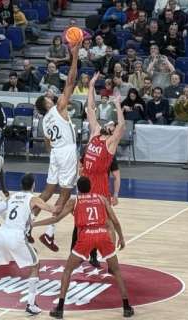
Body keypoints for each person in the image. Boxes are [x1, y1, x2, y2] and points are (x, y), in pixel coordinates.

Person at [32, 176, 133, 319]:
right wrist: (121, 238)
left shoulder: (75, 201)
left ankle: (60, 308)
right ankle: (127, 307)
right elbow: (114, 221)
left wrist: (34, 224)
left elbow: (56, 219)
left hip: (86, 237)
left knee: (67, 270)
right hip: (103, 234)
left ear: (78, 189)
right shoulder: (101, 199)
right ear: (90, 187)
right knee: (116, 271)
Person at [0, 173, 58, 315]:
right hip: (16, 236)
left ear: (21, 185)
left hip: (2, 234)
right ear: (34, 185)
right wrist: (65, 201)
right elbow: (53, 209)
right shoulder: (33, 199)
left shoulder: (12, 197)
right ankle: (31, 304)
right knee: (35, 265)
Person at [32, 41, 81, 251]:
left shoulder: (43, 121)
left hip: (55, 154)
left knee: (47, 192)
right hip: (67, 151)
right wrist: (75, 57)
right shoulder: (59, 108)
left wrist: (55, 155)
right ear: (47, 104)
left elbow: (47, 143)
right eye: (49, 98)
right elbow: (71, 81)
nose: (52, 97)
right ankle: (49, 234)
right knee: (65, 194)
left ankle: (25, 227)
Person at [77, 72, 125, 266]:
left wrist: (117, 104)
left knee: (107, 223)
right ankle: (88, 253)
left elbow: (122, 124)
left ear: (113, 132)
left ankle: (110, 257)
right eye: (109, 123)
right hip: (85, 182)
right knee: (83, 222)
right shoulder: (96, 132)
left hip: (100, 185)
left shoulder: (111, 143)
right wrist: (91, 87)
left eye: (111, 124)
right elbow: (90, 108)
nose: (109, 124)